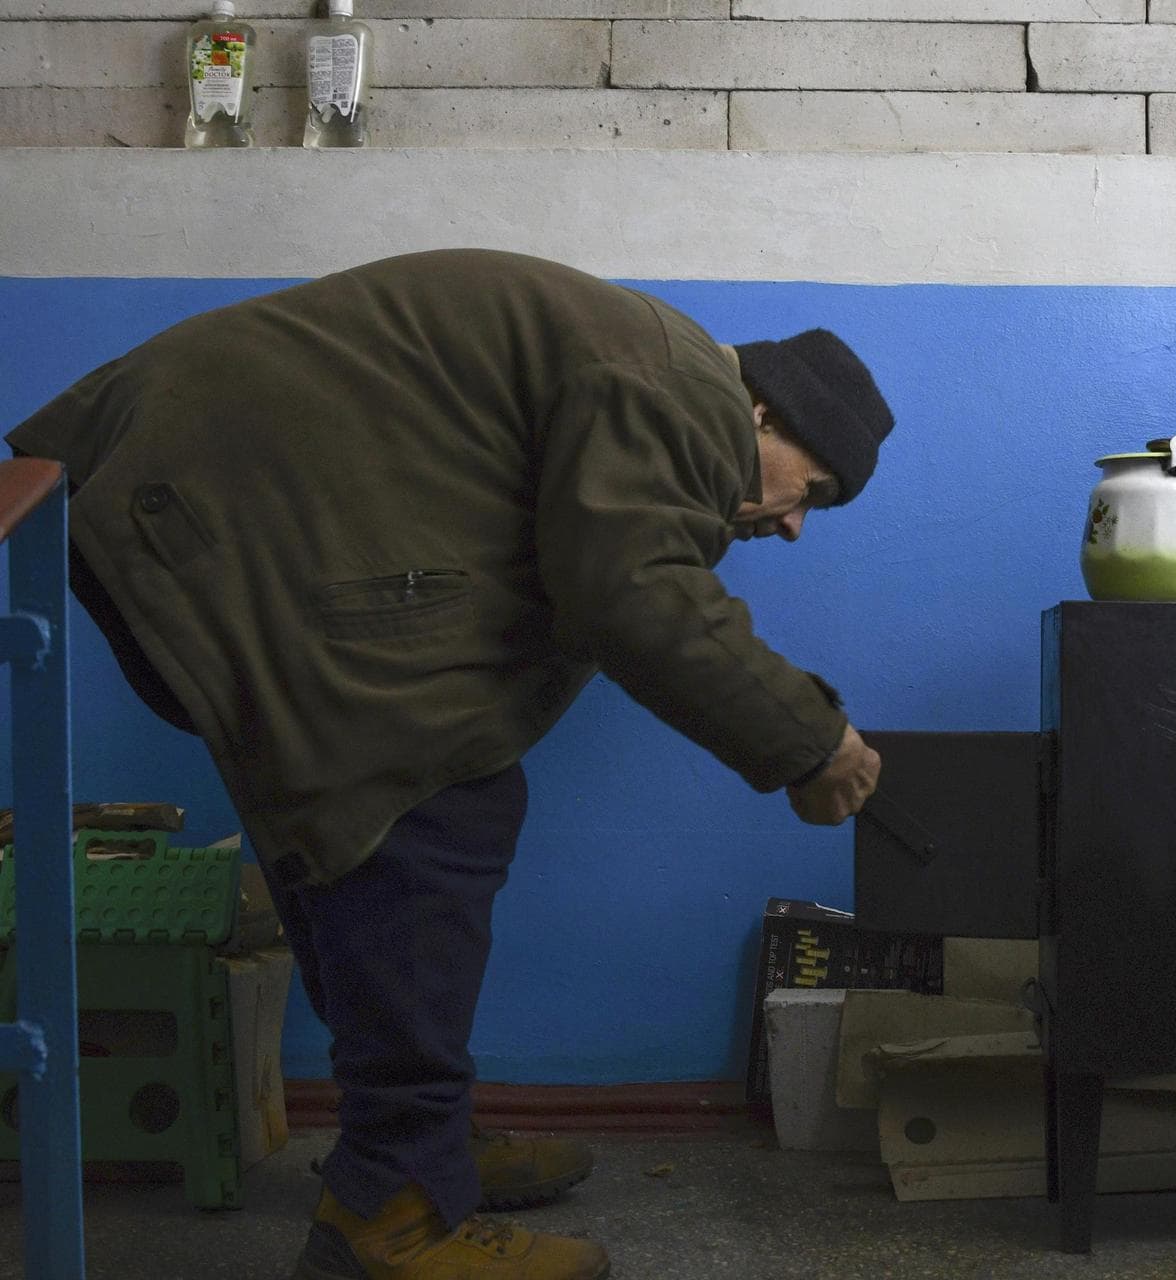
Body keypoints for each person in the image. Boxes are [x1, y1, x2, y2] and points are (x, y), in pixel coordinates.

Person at [6, 248, 893, 1280]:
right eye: (809, 492)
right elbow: (632, 593)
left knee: (364, 815)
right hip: (207, 500)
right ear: (763, 417)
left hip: (188, 493)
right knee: (429, 790)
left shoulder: (646, 367)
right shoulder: (685, 392)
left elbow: (585, 582)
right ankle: (395, 1211)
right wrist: (811, 740)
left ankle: (425, 1142)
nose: (789, 525)